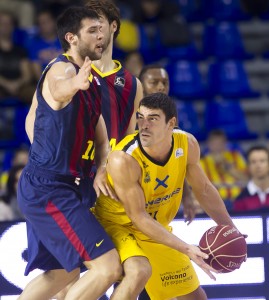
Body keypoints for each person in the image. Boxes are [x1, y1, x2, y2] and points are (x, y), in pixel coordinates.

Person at [17, 7, 122, 300]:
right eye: (92, 31)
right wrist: (74, 84)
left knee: (64, 273)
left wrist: (101, 168)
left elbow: (102, 141)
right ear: (71, 38)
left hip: (60, 186)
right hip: (50, 189)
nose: (101, 36)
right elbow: (58, 87)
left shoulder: (94, 81)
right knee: (107, 268)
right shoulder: (62, 69)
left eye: (102, 30)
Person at [94, 92, 239, 299]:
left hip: (152, 228)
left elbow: (204, 190)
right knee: (137, 274)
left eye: (152, 119)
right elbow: (138, 216)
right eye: (140, 117)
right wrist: (187, 248)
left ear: (171, 123)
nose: (143, 125)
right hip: (116, 224)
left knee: (196, 297)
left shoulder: (186, 143)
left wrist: (231, 230)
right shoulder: (124, 159)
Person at [139, 64, 198, 224]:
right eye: (154, 82)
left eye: (165, 82)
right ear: (140, 84)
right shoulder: (130, 111)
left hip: (158, 190)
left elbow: (176, 157)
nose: (161, 87)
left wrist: (186, 195)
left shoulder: (169, 113)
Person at [200, 129, 248, 210]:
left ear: (225, 143)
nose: (217, 147)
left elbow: (247, 179)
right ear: (209, 144)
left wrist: (229, 169)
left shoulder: (236, 156)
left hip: (238, 200)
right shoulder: (202, 162)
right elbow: (201, 186)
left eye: (220, 143)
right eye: (214, 143)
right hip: (214, 203)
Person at [233, 145, 269, 212]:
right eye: (253, 162)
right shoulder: (240, 199)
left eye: (262, 161)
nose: (258, 165)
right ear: (248, 166)